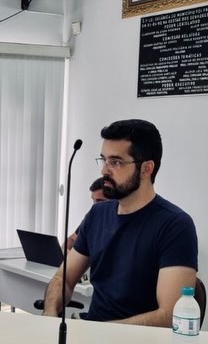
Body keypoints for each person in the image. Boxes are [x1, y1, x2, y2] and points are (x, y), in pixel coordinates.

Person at [42, 119, 197, 326]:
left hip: (138, 343)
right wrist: (50, 315)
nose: (104, 171)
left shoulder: (175, 225)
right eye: (103, 160)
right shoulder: (97, 214)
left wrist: (101, 333)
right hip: (92, 334)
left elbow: (169, 315)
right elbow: (63, 279)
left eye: (116, 162)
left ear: (146, 169)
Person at [65, 177, 107, 251]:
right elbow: (71, 239)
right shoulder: (91, 217)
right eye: (93, 200)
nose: (94, 205)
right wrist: (66, 252)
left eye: (99, 201)